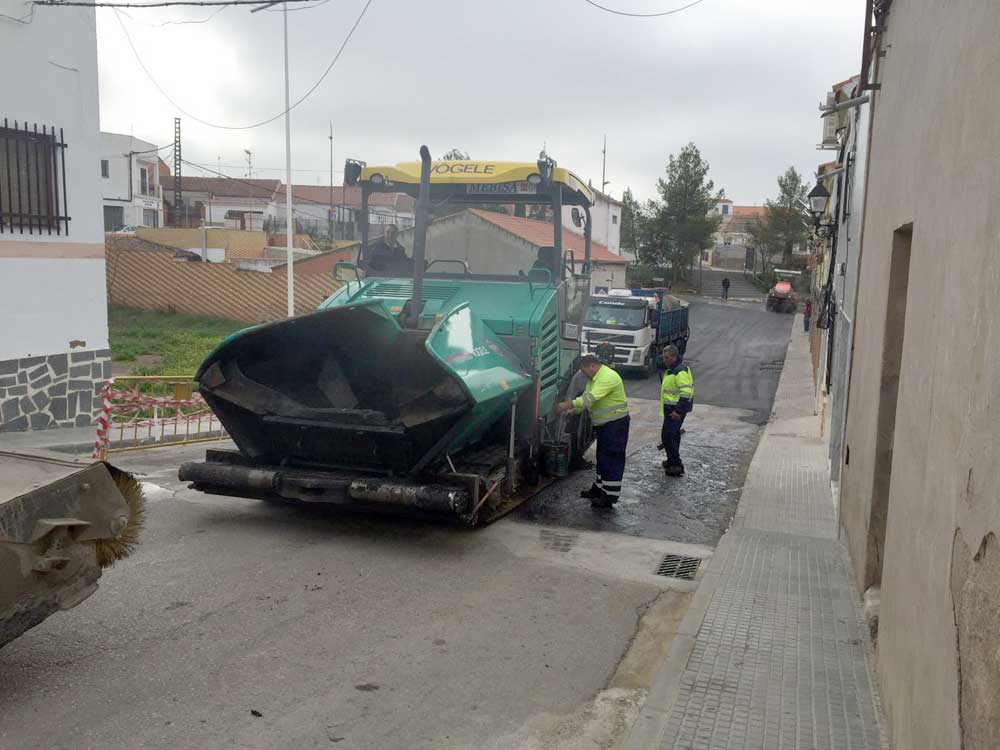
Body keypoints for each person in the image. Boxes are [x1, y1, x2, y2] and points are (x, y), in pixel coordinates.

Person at [555, 355, 630, 508]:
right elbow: (584, 399)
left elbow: (590, 398)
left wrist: (566, 405)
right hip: (605, 425)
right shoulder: (593, 379)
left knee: (612, 458)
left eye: (584, 371)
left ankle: (610, 496)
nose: (583, 375)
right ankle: (600, 488)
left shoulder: (607, 377)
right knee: (602, 457)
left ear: (592, 366)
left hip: (615, 424)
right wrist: (573, 410)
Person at [659, 344, 694, 477]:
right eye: (663, 358)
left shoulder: (680, 371)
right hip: (671, 409)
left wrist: (678, 411)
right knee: (671, 436)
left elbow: (686, 392)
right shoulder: (673, 369)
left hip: (675, 411)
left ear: (674, 357)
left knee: (668, 436)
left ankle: (676, 465)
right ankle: (671, 461)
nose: (664, 360)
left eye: (667, 358)